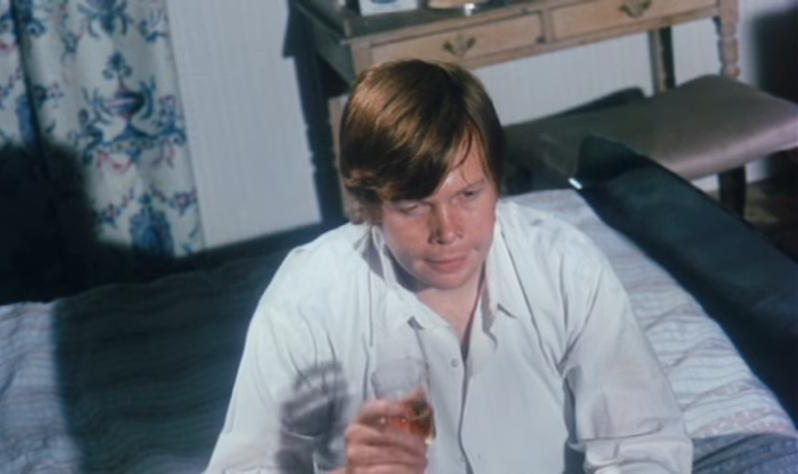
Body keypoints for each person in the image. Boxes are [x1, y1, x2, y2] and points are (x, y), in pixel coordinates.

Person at [206, 59, 692, 473]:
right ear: (369, 207)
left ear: (497, 183)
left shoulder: (565, 268)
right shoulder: (307, 304)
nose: (447, 231)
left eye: (468, 194)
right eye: (414, 206)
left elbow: (643, 447)